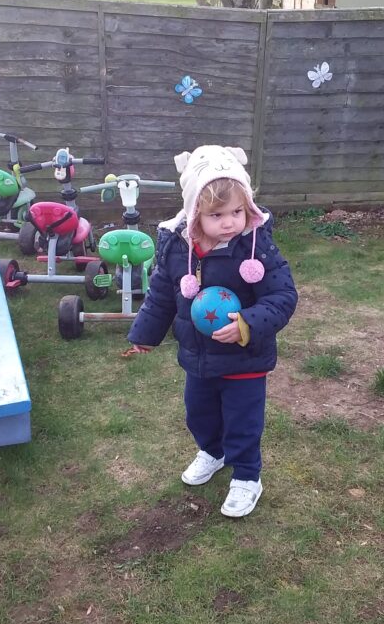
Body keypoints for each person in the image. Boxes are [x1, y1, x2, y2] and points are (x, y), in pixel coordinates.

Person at [127, 145, 298, 518]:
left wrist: (247, 324)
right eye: (217, 215)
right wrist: (144, 333)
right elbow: (161, 295)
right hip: (198, 358)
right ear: (194, 214)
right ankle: (212, 451)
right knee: (199, 413)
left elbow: (283, 296)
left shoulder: (255, 248)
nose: (230, 222)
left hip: (244, 358)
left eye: (237, 211)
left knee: (243, 420)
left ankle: (248, 476)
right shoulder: (177, 248)